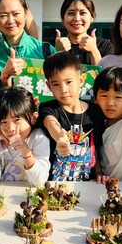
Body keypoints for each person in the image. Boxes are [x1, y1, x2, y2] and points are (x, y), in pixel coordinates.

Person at [38, 51, 105, 181]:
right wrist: (60, 138)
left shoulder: (95, 112)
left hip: (87, 183)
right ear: (48, 86)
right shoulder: (48, 108)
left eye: (68, 82)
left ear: (80, 80)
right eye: (56, 84)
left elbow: (94, 148)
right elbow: (50, 122)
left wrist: (98, 173)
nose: (63, 89)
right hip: (54, 183)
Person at [0, 0, 56, 87]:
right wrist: (3, 78)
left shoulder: (46, 51)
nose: (11, 21)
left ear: (25, 13)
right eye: (3, 15)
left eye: (16, 14)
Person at [0, 87, 50, 186]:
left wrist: (25, 150)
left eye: (17, 120)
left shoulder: (38, 138)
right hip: (1, 196)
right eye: (4, 122)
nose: (10, 128)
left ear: (34, 118)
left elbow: (40, 181)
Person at [55, 0, 113, 65]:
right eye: (71, 13)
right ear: (63, 18)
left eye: (82, 13)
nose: (77, 19)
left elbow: (106, 75)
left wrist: (94, 51)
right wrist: (57, 53)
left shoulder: (104, 46)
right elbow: (45, 75)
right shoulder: (51, 46)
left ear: (92, 17)